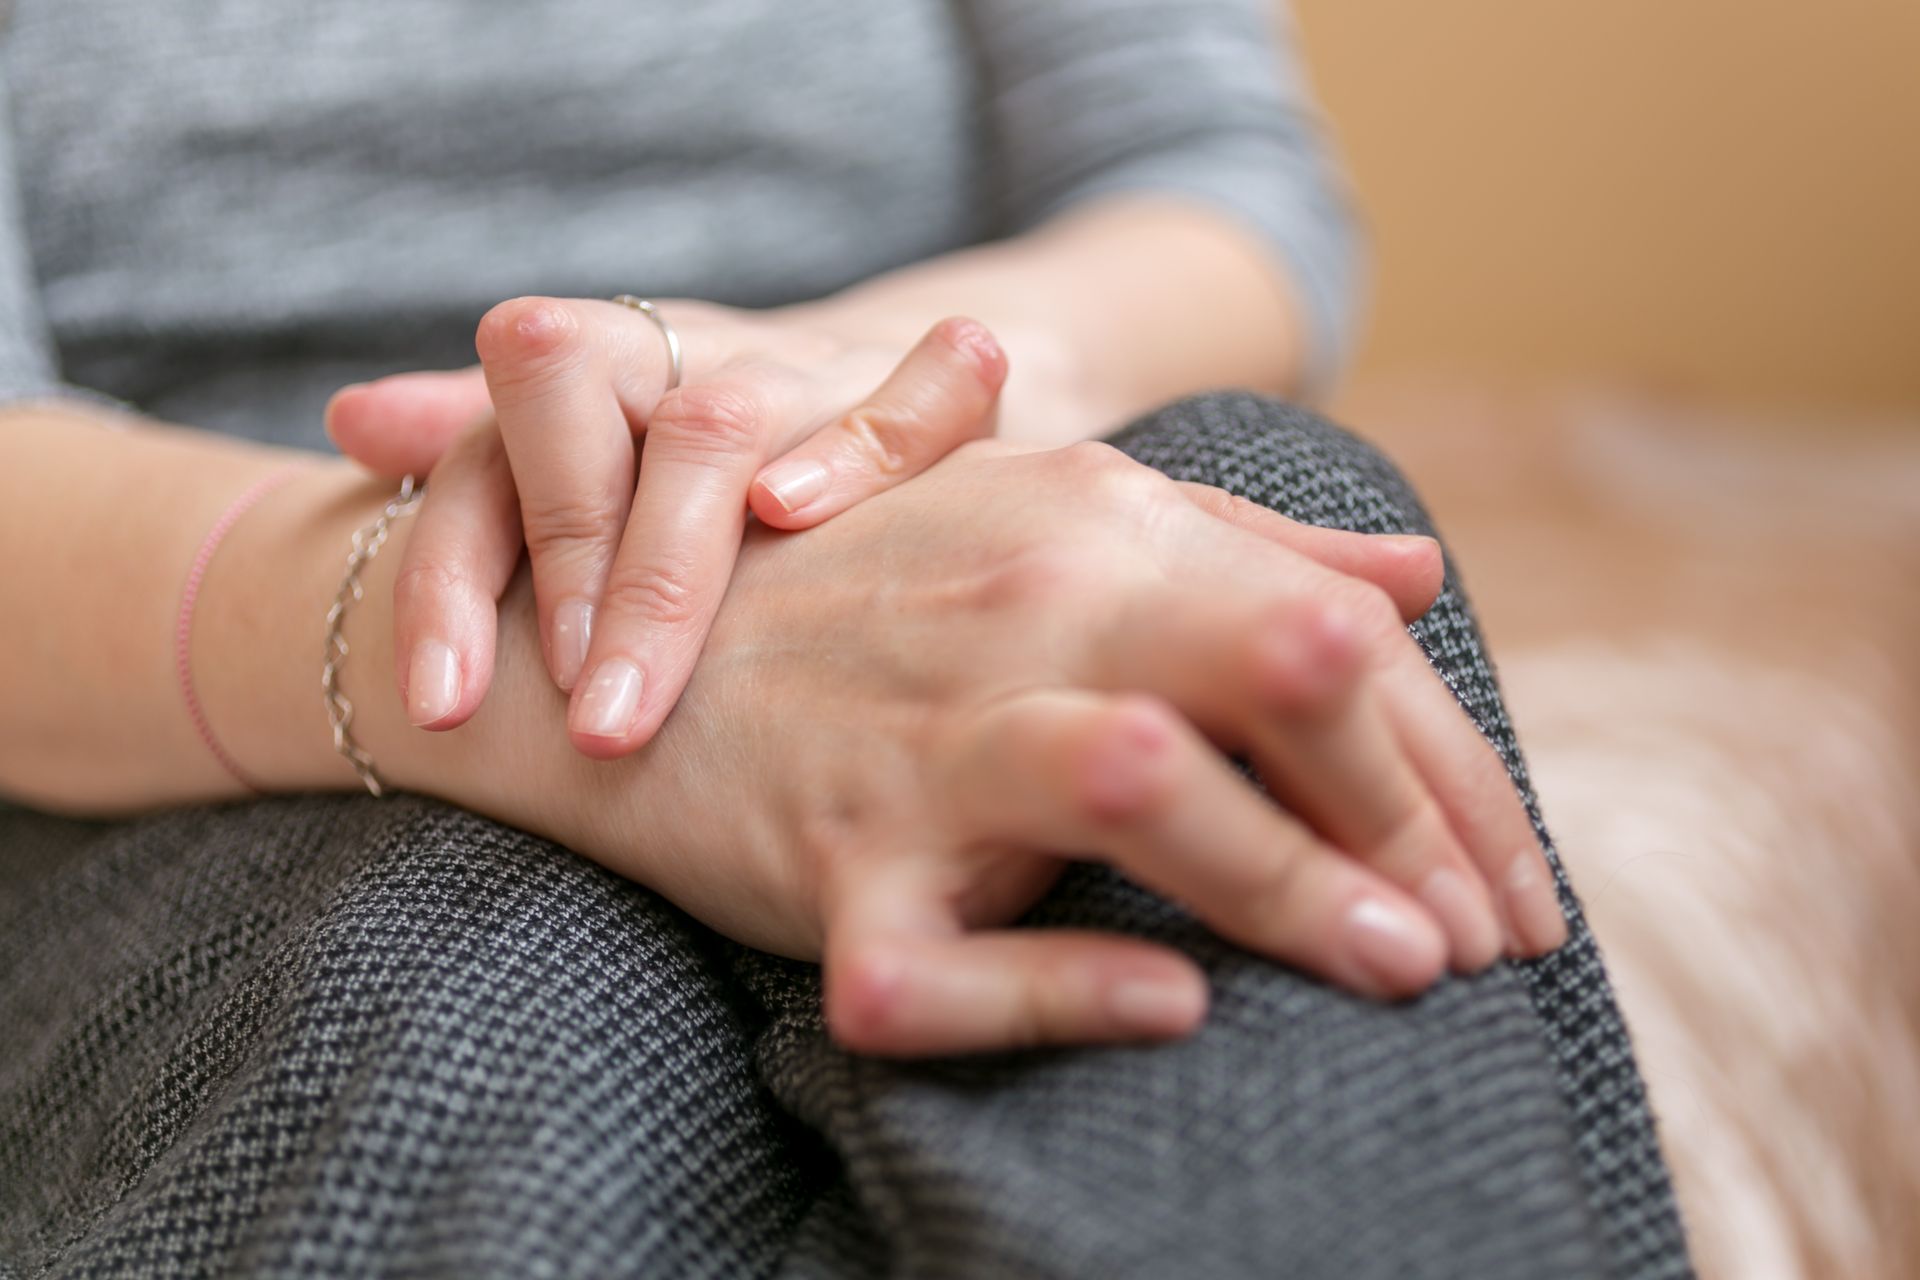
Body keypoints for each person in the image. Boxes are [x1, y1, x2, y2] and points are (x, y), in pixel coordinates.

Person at [0, 1, 1690, 1275]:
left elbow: (1211, 183)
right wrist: (563, 657)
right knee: (485, 992)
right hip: (165, 672)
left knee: (1237, 543)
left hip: (925, 477)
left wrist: (833, 398)